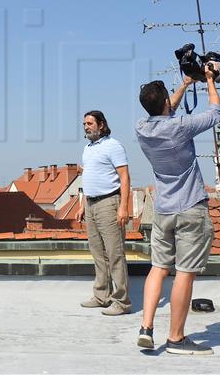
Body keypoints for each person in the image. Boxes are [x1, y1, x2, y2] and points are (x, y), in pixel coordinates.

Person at [135, 66, 220, 355]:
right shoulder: (180, 127)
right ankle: (176, 338)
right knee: (184, 272)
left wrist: (185, 83)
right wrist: (209, 80)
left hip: (162, 209)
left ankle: (146, 328)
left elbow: (163, 111)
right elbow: (216, 113)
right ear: (164, 105)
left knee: (158, 268)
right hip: (189, 207)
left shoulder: (142, 128)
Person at [76, 110, 132, 316]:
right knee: (98, 254)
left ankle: (122, 302)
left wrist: (123, 207)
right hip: (91, 204)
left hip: (109, 202)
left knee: (115, 254)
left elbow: (125, 177)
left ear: (101, 125)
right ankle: (102, 296)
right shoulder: (87, 149)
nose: (86, 127)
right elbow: (86, 179)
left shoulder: (113, 146)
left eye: (90, 123)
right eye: (84, 124)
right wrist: (82, 205)